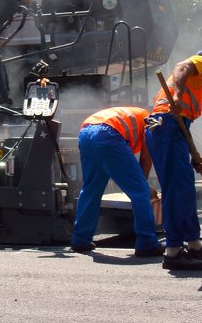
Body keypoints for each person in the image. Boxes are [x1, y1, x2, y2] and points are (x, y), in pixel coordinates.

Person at [146, 49, 202, 270]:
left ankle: (194, 243)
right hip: (166, 126)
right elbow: (182, 68)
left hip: (171, 128)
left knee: (184, 188)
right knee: (176, 190)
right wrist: (179, 95)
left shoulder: (193, 89)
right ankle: (173, 251)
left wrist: (195, 154)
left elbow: (183, 126)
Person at [70, 106, 163, 258]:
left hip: (86, 132)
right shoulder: (152, 122)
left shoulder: (136, 114)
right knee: (139, 191)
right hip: (108, 134)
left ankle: (80, 240)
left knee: (91, 188)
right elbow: (146, 158)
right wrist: (144, 187)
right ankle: (147, 243)